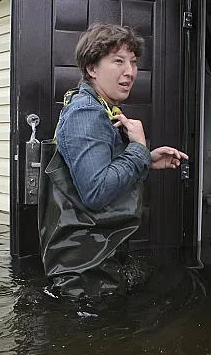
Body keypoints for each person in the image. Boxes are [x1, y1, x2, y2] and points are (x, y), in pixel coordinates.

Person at [39, 23, 188, 297]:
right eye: (117, 61)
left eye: (133, 62)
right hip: (85, 270)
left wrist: (145, 160)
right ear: (92, 68)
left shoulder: (98, 107)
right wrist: (138, 150)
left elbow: (93, 175)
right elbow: (97, 192)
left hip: (93, 259)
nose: (130, 72)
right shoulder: (87, 113)